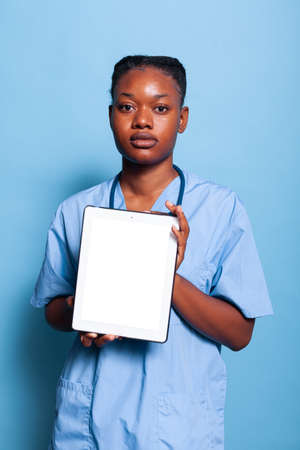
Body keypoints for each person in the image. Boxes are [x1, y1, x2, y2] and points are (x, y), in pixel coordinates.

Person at [30, 55, 274, 450]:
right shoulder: (75, 210)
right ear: (111, 115)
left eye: (161, 108)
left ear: (182, 118)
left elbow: (240, 333)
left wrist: (161, 273)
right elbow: (54, 313)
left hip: (176, 424)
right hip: (85, 419)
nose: (142, 121)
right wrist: (84, 308)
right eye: (127, 107)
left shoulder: (220, 209)